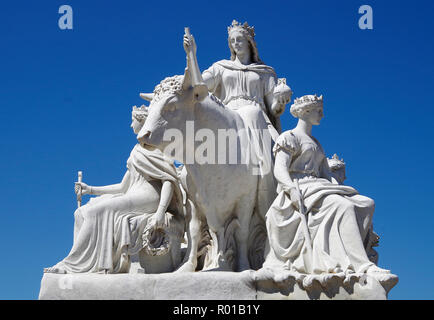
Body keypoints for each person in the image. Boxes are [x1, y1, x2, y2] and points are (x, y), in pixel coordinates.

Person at [44, 105, 184, 274]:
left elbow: (169, 180)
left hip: (149, 197)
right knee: (81, 212)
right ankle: (84, 264)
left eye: (133, 121)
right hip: (134, 194)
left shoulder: (159, 150)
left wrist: (160, 211)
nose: (131, 125)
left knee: (96, 211)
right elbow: (122, 187)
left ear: (142, 122)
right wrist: (90, 190)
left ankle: (72, 265)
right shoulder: (136, 151)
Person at [263, 94, 390, 276]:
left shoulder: (316, 143)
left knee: (366, 203)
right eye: (318, 111)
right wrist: (291, 189)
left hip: (320, 186)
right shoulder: (289, 137)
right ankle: (360, 265)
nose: (322, 115)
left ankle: (346, 253)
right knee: (343, 206)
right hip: (301, 187)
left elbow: (326, 175)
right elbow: (280, 169)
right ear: (306, 112)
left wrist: (341, 189)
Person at [183, 20, 292, 219]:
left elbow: (274, 110)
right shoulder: (220, 67)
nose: (236, 44)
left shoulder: (265, 72)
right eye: (232, 40)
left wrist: (282, 102)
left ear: (250, 42)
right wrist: (192, 55)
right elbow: (198, 86)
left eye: (240, 39)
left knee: (281, 152)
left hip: (258, 119)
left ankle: (274, 197)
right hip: (228, 116)